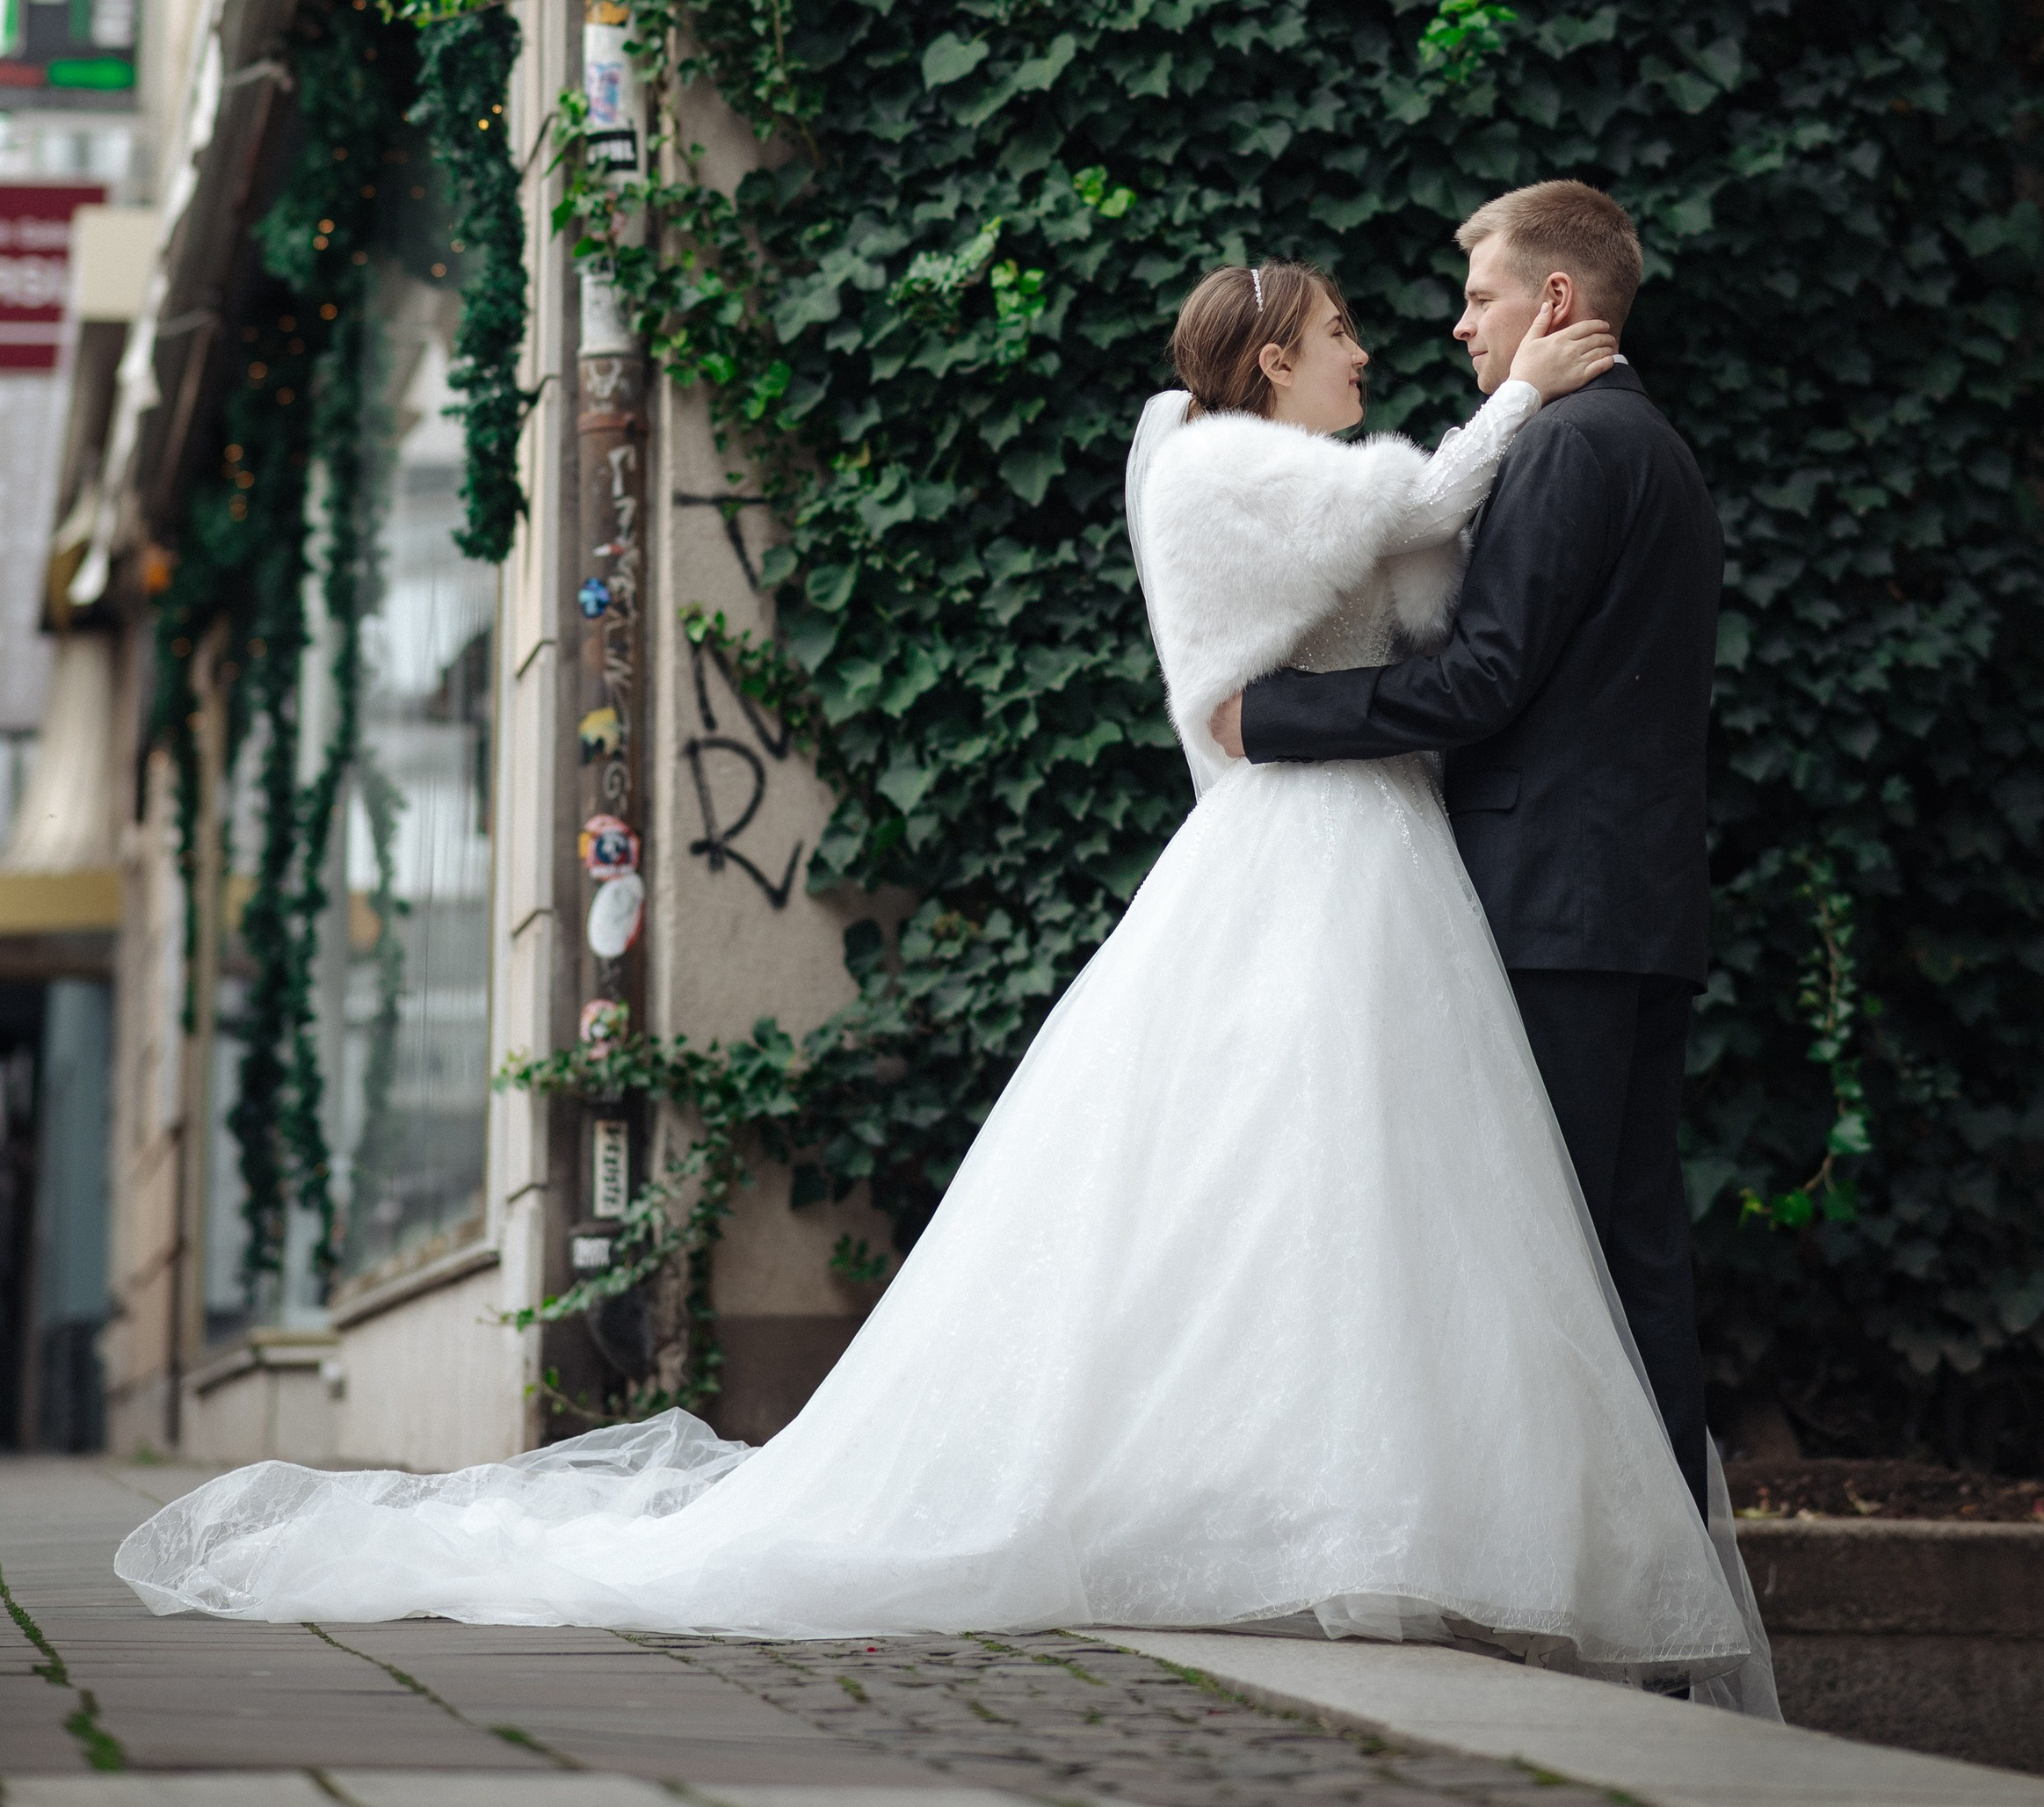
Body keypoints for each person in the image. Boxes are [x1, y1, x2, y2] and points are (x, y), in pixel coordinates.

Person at [115, 254, 1772, 1714]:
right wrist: (1521, 396)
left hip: (1391, 859)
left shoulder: (1329, 469)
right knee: (1283, 1173)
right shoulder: (1223, 467)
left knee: (1358, 1194)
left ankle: (1365, 1504)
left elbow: (1437, 611)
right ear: (1273, 355)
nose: (1376, 346)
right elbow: (1403, 530)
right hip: (1308, 853)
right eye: (1342, 331)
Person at [1213, 184, 1721, 1525]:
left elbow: (1484, 680)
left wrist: (1273, 715)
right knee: (1631, 1254)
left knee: (1538, 1256)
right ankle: (1658, 1571)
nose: (1459, 325)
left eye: (1481, 296)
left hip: (1551, 909)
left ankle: (1574, 1563)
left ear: (1555, 300)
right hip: (1635, 908)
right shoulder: (1652, 445)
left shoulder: (1567, 448)